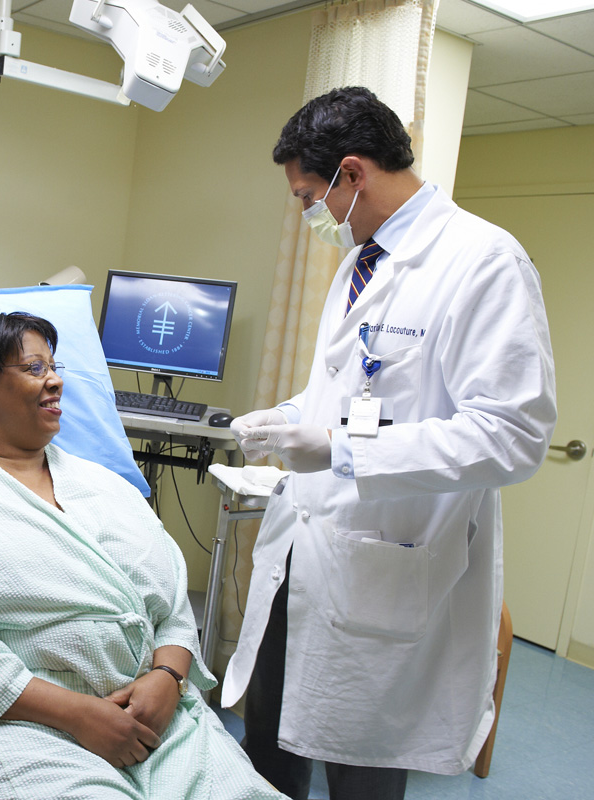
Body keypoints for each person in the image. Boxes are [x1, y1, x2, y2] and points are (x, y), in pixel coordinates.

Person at [222, 87, 556, 800]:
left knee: (361, 767)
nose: (307, 213)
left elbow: (513, 434)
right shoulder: (358, 261)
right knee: (267, 751)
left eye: (309, 194)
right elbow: (347, 396)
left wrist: (342, 452)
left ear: (353, 173)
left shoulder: (484, 262)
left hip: (386, 569)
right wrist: (285, 419)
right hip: (301, 554)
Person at [0, 312, 286, 800]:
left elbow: (173, 605)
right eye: (33, 368)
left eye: (55, 367)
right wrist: (77, 713)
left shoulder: (108, 486)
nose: (54, 380)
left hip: (152, 713)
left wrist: (167, 677)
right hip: (19, 727)